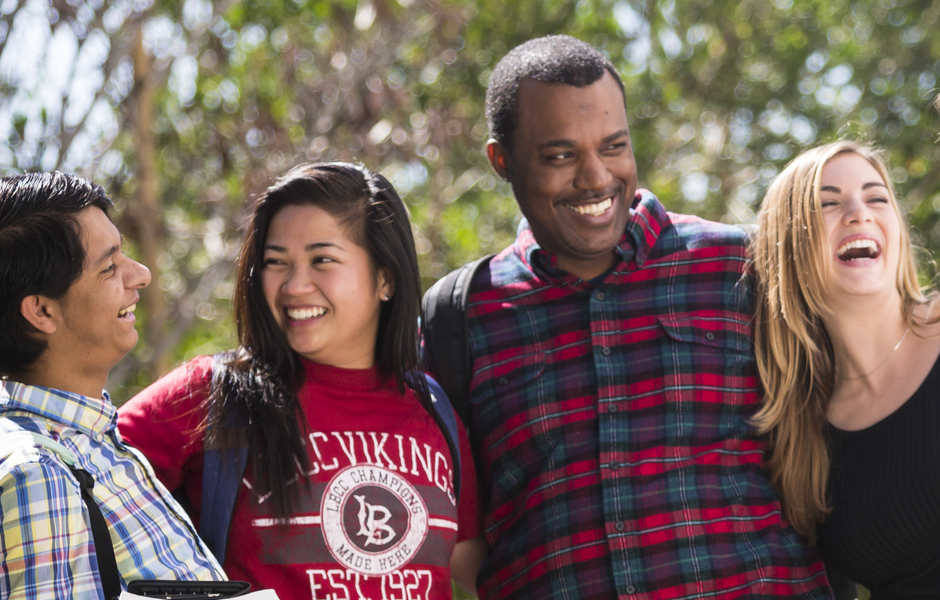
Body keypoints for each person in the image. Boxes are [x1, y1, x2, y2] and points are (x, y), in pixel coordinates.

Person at [421, 35, 832, 598]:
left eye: (613, 147)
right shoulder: (457, 319)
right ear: (502, 160)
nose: (595, 178)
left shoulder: (745, 267)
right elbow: (446, 525)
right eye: (561, 156)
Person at [118, 162, 482, 599]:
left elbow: (478, 567)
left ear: (386, 276)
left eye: (321, 260)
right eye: (276, 262)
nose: (293, 285)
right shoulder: (209, 393)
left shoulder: (434, 409)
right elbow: (71, 477)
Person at [0, 172, 225, 599]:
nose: (140, 275)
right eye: (109, 267)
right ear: (43, 312)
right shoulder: (40, 474)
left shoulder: (94, 445)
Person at [751, 140, 940, 598]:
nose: (859, 213)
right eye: (828, 204)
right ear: (790, 247)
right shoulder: (801, 439)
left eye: (877, 198)